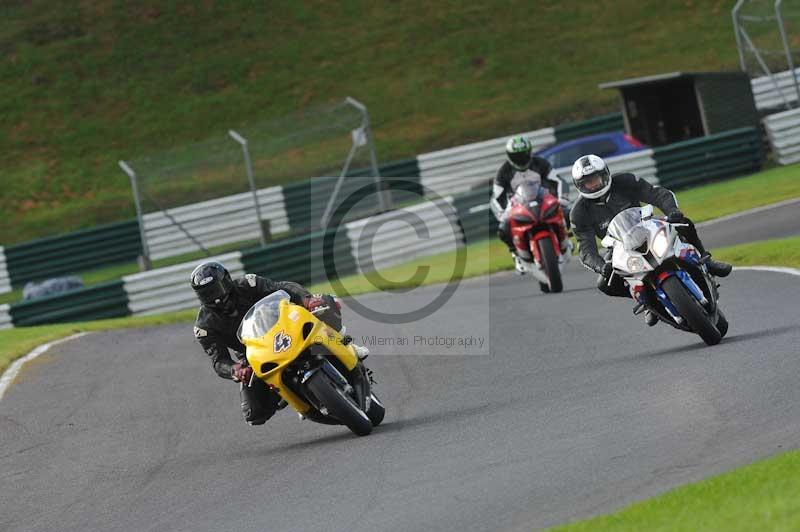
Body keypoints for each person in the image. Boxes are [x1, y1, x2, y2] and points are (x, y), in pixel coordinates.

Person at [190, 261, 368, 426]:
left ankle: (348, 344)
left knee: (324, 303)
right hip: (254, 352)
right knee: (254, 414)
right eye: (207, 293)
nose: (214, 297)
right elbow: (218, 360)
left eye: (216, 289)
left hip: (284, 325)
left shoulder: (248, 284)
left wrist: (305, 299)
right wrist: (234, 369)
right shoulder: (204, 326)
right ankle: (291, 394)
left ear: (227, 280)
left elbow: (281, 287)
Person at [570, 154, 732, 325]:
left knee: (683, 224)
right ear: (580, 186)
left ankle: (706, 261)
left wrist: (672, 211)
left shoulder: (625, 181)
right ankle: (647, 302)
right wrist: (601, 266)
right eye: (588, 182)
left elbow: (658, 194)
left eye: (595, 178)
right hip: (618, 247)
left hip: (648, 226)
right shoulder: (579, 213)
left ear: (605, 174)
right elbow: (586, 250)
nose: (594, 184)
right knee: (605, 284)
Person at [491, 135, 570, 254]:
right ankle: (515, 252)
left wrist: (562, 200)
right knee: (503, 229)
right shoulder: (503, 171)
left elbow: (559, 181)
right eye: (516, 156)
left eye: (523, 154)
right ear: (510, 156)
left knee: (568, 213)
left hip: (543, 200)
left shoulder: (540, 163)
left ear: (529, 152)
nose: (521, 159)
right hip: (518, 206)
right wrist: (502, 214)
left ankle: (565, 239)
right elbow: (496, 197)